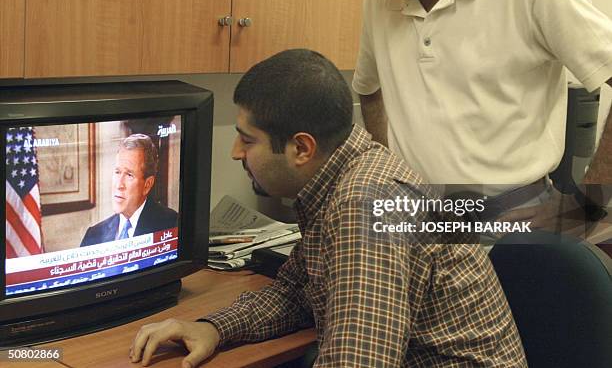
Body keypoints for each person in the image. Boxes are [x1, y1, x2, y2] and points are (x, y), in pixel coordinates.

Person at [130, 50, 526, 367]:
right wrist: (213, 328)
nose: (236, 153)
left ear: (302, 148)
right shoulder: (345, 174)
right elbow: (296, 293)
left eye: (247, 140)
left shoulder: (363, 203)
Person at [337, 0, 612, 220]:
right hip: (416, 222)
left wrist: (590, 202)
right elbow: (370, 90)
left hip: (512, 225)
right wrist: (389, 176)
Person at [80, 134, 177, 246]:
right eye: (117, 172)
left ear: (147, 184)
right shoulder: (93, 235)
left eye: (129, 175)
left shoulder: (172, 224)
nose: (119, 185)